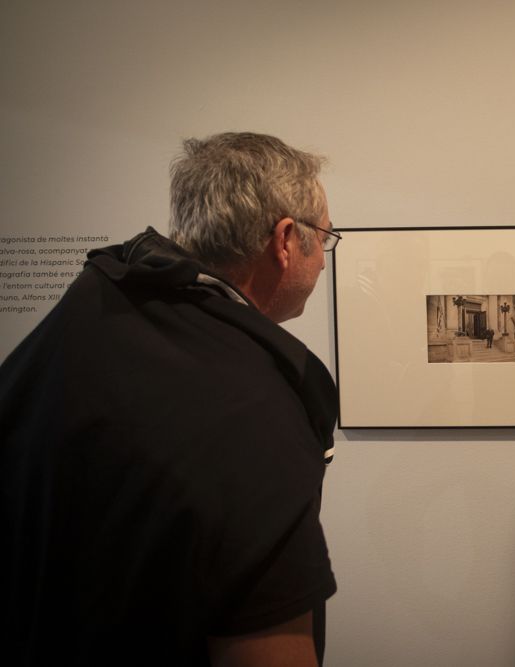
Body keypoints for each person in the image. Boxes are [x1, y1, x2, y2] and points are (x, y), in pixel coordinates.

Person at [1, 132, 342, 666]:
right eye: (324, 237)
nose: (322, 260)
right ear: (284, 239)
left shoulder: (85, 313)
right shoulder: (255, 400)